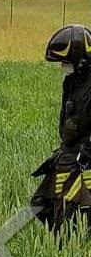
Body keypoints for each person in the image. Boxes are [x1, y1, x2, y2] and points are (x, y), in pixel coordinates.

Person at [31, 24, 91, 233]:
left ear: (80, 60)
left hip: (83, 162)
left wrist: (87, 153)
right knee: (41, 204)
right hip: (67, 155)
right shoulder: (73, 82)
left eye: (66, 62)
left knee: (68, 218)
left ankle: (72, 246)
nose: (63, 66)